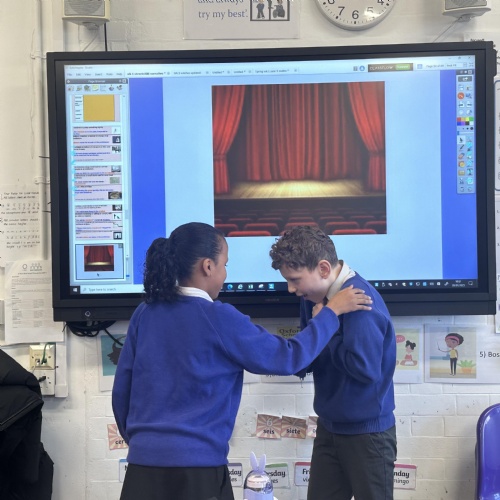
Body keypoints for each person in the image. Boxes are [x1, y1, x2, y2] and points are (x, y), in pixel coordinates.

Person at [112, 222, 373, 500]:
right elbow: (288, 358)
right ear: (208, 266)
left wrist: (144, 444)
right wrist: (331, 313)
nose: (225, 274)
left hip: (141, 467)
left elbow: (122, 391)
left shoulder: (145, 312)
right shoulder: (218, 317)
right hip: (197, 470)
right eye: (225, 265)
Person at [269, 225, 397, 500]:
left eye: (295, 280)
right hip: (329, 427)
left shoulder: (361, 301)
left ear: (324, 269)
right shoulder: (313, 297)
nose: (291, 289)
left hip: (368, 435)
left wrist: (326, 324)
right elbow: (309, 354)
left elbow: (365, 370)